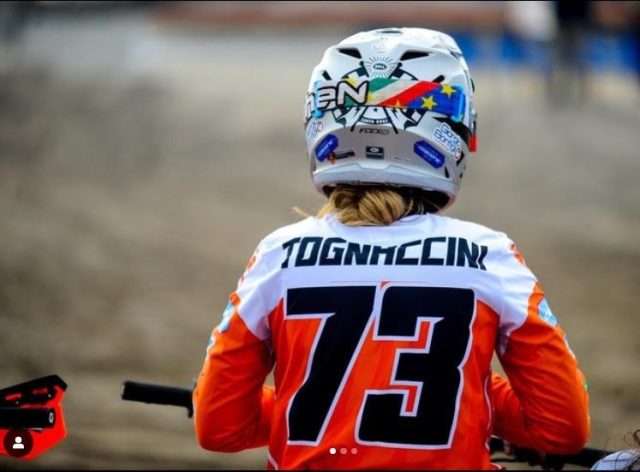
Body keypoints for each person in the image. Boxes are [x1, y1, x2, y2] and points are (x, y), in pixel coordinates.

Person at [192, 27, 590, 470]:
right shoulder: (489, 257)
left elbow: (220, 425)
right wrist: (468, 394)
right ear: (455, 129)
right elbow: (562, 426)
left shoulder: (278, 256)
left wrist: (317, 407)